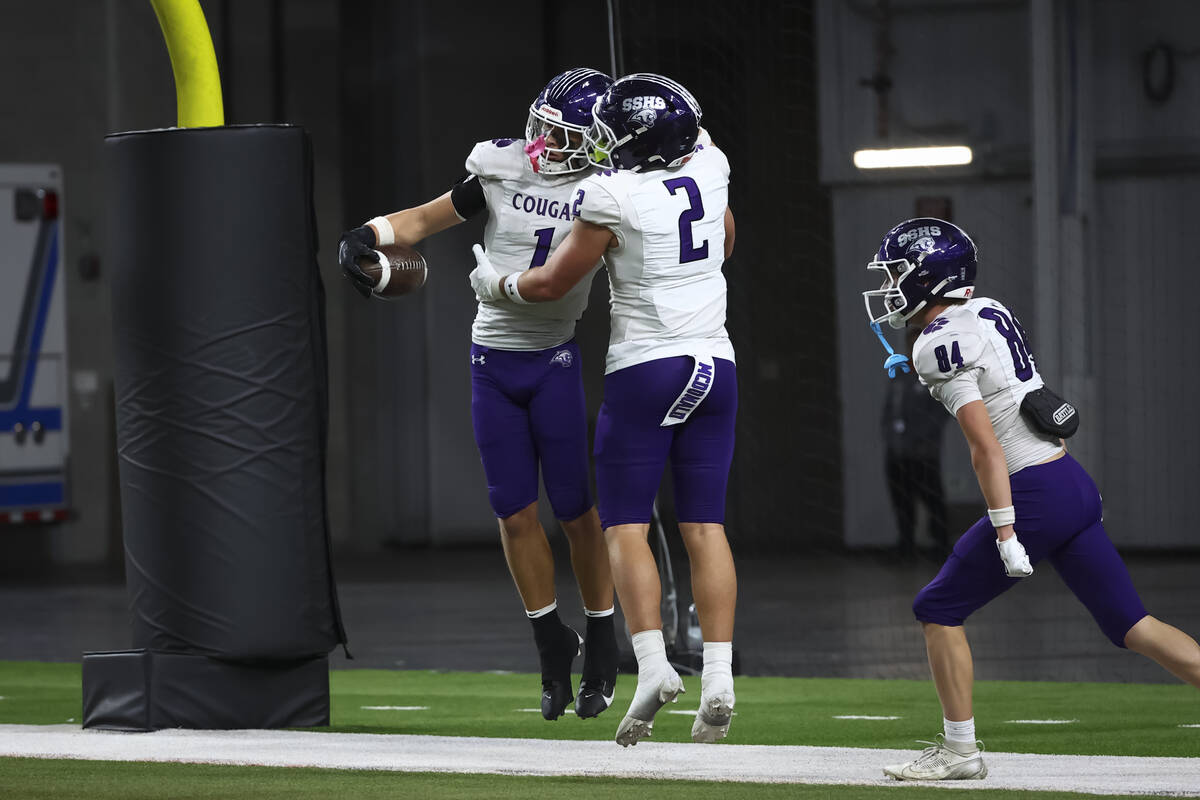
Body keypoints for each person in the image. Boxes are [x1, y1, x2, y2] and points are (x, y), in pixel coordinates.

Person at [863, 217, 1200, 781]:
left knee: (936, 608)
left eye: (898, 273)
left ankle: (959, 750)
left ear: (929, 276)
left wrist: (1005, 529)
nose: (891, 286)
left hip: (1032, 492)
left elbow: (985, 449)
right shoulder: (988, 309)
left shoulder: (937, 344)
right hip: (1069, 479)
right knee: (1133, 625)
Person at [338, 68, 620, 721]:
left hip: (553, 360)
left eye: (561, 137)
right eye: (541, 130)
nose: (542, 145)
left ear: (599, 144)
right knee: (515, 515)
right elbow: (423, 218)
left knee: (576, 513)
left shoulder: (610, 192)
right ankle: (552, 642)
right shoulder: (501, 170)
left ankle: (603, 637)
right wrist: (368, 236)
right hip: (493, 362)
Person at [469, 73, 739, 747]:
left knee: (624, 527)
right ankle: (721, 676)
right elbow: (725, 240)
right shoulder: (710, 162)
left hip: (648, 366)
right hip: (717, 364)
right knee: (704, 528)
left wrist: (494, 280)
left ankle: (649, 665)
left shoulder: (610, 193)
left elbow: (554, 281)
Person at [881, 326, 949, 557]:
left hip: (923, 452)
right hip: (897, 453)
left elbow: (939, 414)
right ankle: (906, 546)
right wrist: (890, 438)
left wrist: (918, 438)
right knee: (901, 500)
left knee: (932, 499)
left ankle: (941, 545)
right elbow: (890, 410)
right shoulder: (899, 374)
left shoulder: (933, 375)